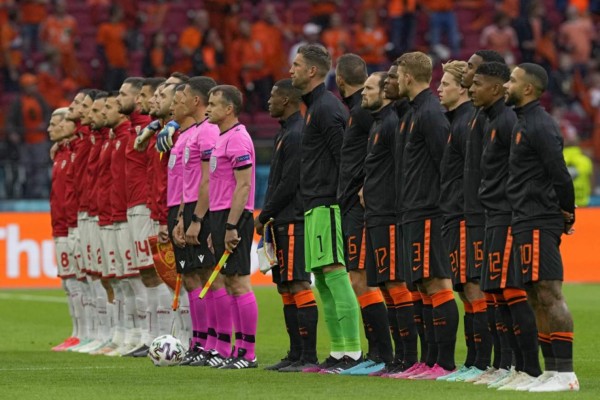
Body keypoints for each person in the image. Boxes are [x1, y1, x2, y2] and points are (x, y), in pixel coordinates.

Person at [505, 63, 579, 392]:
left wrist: (566, 213)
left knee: (549, 294)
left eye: (512, 80)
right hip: (524, 218)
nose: (507, 85)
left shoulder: (540, 124)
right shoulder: (523, 122)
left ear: (528, 89)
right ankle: (551, 371)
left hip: (539, 218)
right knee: (535, 295)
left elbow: (560, 174)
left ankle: (565, 374)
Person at [471, 61, 543, 390]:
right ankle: (507, 365)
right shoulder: (490, 119)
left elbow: (522, 170)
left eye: (477, 82)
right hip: (492, 215)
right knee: (496, 292)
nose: (471, 87)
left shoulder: (508, 119)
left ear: (497, 88)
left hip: (508, 215)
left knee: (512, 291)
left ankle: (528, 368)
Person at [290, 44, 362, 372]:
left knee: (335, 274)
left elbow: (344, 156)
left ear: (313, 71)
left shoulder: (327, 109)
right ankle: (337, 352)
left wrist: (340, 200)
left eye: (296, 64)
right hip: (315, 204)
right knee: (322, 277)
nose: (291, 69)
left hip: (329, 204)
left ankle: (352, 352)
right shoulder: (315, 108)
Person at [392, 52, 458, 380]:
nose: (396, 79)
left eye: (399, 74)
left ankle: (443, 363)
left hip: (429, 210)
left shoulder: (431, 113)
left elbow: (446, 162)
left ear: (408, 76)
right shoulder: (414, 112)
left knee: (436, 282)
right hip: (412, 210)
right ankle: (428, 360)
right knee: (420, 285)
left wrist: (439, 206)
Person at [435, 60, 494, 383]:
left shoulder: (469, 121)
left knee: (475, 288)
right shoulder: (458, 123)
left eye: (445, 84)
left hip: (468, 215)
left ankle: (482, 362)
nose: (439, 89)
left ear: (462, 88)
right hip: (454, 214)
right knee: (466, 289)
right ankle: (474, 361)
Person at [360, 70, 420, 376]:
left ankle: (409, 357)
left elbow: (400, 169)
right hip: (376, 214)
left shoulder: (393, 123)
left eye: (369, 88)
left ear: (385, 92)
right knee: (385, 284)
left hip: (391, 215)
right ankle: (398, 357)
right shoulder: (380, 124)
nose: (363, 93)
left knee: (396, 284)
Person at [257, 79, 319, 372]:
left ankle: (308, 356)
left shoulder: (296, 134)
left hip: (294, 218)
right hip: (281, 219)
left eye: (273, 95)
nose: (268, 101)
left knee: (298, 282)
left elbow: (289, 182)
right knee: (284, 286)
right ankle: (294, 354)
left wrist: (265, 212)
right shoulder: (285, 132)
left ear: (288, 100)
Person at [333, 54, 389, 376]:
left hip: (360, 206)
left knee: (362, 280)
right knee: (358, 280)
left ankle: (381, 354)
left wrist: (368, 185)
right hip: (351, 205)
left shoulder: (365, 115)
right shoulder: (357, 112)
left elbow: (380, 153)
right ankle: (377, 353)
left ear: (340, 79)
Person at [460, 49, 512, 386]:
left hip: (494, 214)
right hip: (475, 213)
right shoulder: (479, 117)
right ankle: (491, 362)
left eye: (473, 71)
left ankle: (509, 363)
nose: (468, 75)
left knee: (501, 289)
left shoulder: (502, 119)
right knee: (484, 289)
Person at [205, 85, 258, 369]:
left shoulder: (237, 139)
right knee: (227, 281)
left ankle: (248, 353)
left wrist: (231, 226)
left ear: (229, 109)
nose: (207, 108)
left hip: (234, 216)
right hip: (220, 216)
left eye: (213, 104)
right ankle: (235, 349)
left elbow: (244, 185)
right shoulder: (221, 138)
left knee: (238, 282)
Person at [174, 77, 223, 367]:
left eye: (181, 98)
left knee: (208, 278)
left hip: (203, 209)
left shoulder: (206, 133)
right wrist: (182, 215)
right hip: (188, 207)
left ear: (195, 101)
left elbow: (207, 179)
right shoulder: (188, 135)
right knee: (193, 277)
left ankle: (215, 344)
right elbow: (186, 182)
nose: (176, 103)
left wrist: (197, 218)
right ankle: (201, 340)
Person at [116, 77, 163, 357]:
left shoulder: (151, 127)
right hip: (134, 207)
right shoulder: (136, 129)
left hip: (147, 206)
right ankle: (148, 337)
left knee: (155, 272)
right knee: (145, 274)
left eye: (125, 94)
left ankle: (160, 337)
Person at [49, 107, 81, 352]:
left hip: (78, 223)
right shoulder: (61, 152)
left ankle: (92, 332)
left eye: (56, 122)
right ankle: (78, 332)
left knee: (87, 280)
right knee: (69, 282)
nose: (50, 128)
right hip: (61, 224)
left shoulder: (79, 149)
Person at [5, 73, 51, 198]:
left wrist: (44, 124)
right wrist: (13, 133)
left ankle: (40, 193)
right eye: (30, 85)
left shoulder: (40, 99)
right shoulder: (18, 102)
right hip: (25, 140)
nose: (33, 88)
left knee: (40, 167)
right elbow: (10, 120)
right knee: (27, 168)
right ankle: (28, 193)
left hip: (40, 139)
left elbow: (48, 115)